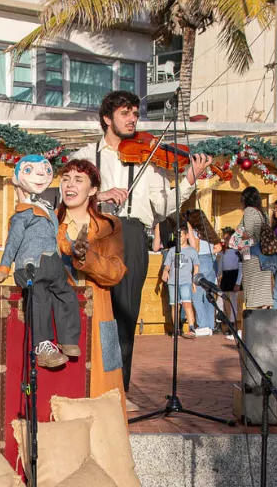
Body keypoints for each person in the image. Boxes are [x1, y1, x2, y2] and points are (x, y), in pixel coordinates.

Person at [68, 91, 210, 404]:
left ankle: (117, 391)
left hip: (132, 233)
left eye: (135, 113)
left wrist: (187, 180)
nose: (132, 119)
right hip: (95, 230)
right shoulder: (86, 154)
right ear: (107, 118)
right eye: (125, 113)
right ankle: (86, 385)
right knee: (92, 310)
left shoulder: (150, 157)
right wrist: (98, 196)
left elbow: (162, 208)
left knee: (126, 314)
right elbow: (68, 193)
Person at [54, 159, 129, 403]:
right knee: (60, 386)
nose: (69, 185)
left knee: (104, 390)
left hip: (99, 316)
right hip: (59, 317)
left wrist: (87, 257)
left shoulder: (109, 225)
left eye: (78, 179)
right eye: (65, 179)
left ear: (93, 190)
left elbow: (116, 272)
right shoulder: (49, 222)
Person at [4, 155, 79, 370]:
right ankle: (42, 346)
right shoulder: (22, 212)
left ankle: (68, 338)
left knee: (67, 295)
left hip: (51, 262)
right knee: (40, 300)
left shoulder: (47, 208)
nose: (40, 175)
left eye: (45, 170)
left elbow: (57, 237)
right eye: (30, 170)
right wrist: (4, 266)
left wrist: (73, 249)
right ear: (17, 178)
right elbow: (13, 241)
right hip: (31, 264)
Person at [161, 210, 215, 337]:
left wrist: (194, 281)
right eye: (177, 236)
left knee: (187, 303)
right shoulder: (172, 250)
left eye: (181, 235)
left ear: (186, 235)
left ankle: (192, 327)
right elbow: (167, 264)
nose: (179, 238)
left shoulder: (191, 251)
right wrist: (165, 271)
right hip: (173, 281)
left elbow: (196, 265)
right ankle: (176, 328)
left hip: (185, 281)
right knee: (175, 306)